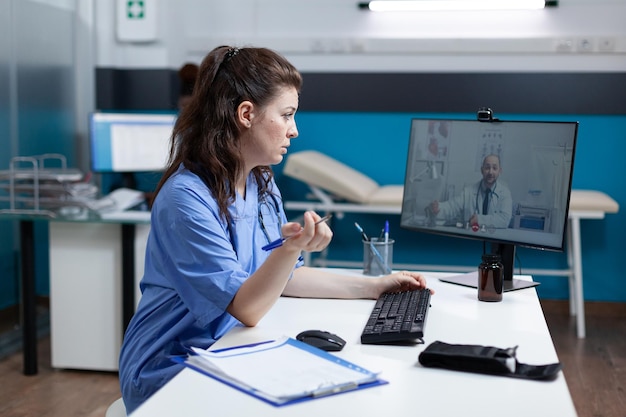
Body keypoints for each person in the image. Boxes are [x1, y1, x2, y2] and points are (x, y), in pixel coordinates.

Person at [118, 45, 432, 413]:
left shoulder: (260, 182)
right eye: (286, 115)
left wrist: (374, 287)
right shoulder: (185, 199)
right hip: (170, 368)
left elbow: (284, 279)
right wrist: (290, 249)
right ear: (246, 114)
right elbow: (246, 307)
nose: (294, 130)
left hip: (227, 349)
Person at [427, 154, 512, 229]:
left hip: (494, 239)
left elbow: (504, 219)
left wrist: (479, 220)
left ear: (500, 171)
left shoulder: (505, 193)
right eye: (487, 168)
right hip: (472, 238)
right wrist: (439, 208)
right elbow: (452, 207)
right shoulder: (468, 192)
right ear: (482, 170)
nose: (490, 172)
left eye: (494, 168)